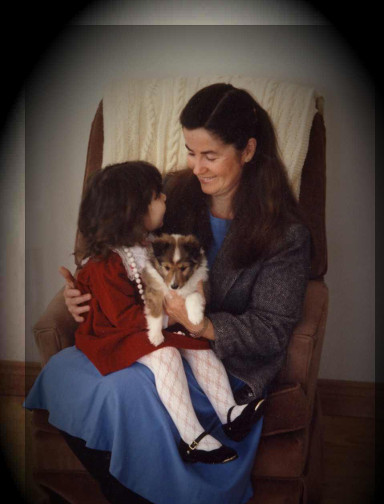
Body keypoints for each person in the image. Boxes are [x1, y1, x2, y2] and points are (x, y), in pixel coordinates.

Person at [25, 83, 311, 504]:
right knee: (62, 376)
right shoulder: (174, 195)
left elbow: (270, 330)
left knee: (127, 391)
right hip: (151, 338)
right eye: (189, 152)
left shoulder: (285, 234)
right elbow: (114, 250)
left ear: (248, 150)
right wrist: (84, 297)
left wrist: (197, 327)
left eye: (210, 155)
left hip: (220, 359)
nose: (195, 167)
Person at [63, 159, 265, 465]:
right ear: (135, 211)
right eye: (158, 196)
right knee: (166, 354)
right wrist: (171, 317)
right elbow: (121, 319)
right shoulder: (107, 263)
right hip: (113, 335)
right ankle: (192, 437)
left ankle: (230, 412)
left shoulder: (147, 245)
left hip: (146, 323)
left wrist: (184, 302)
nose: (166, 198)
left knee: (197, 343)